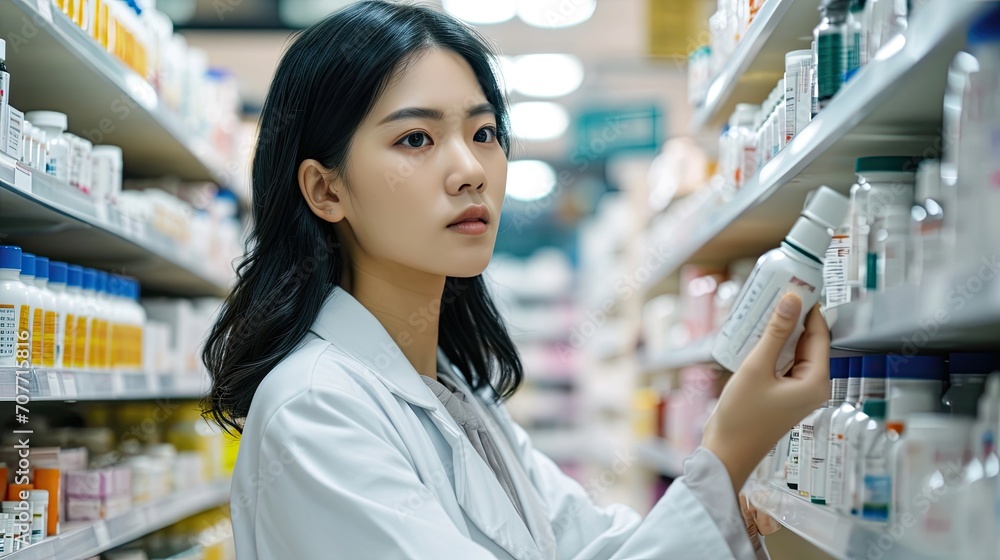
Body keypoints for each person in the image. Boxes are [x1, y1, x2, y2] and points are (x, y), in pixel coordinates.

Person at [202, 2, 828, 558]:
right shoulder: (315, 409)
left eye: (484, 133)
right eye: (416, 138)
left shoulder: (452, 395)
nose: (471, 169)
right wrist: (724, 453)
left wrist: (722, 494)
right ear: (325, 188)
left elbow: (597, 546)